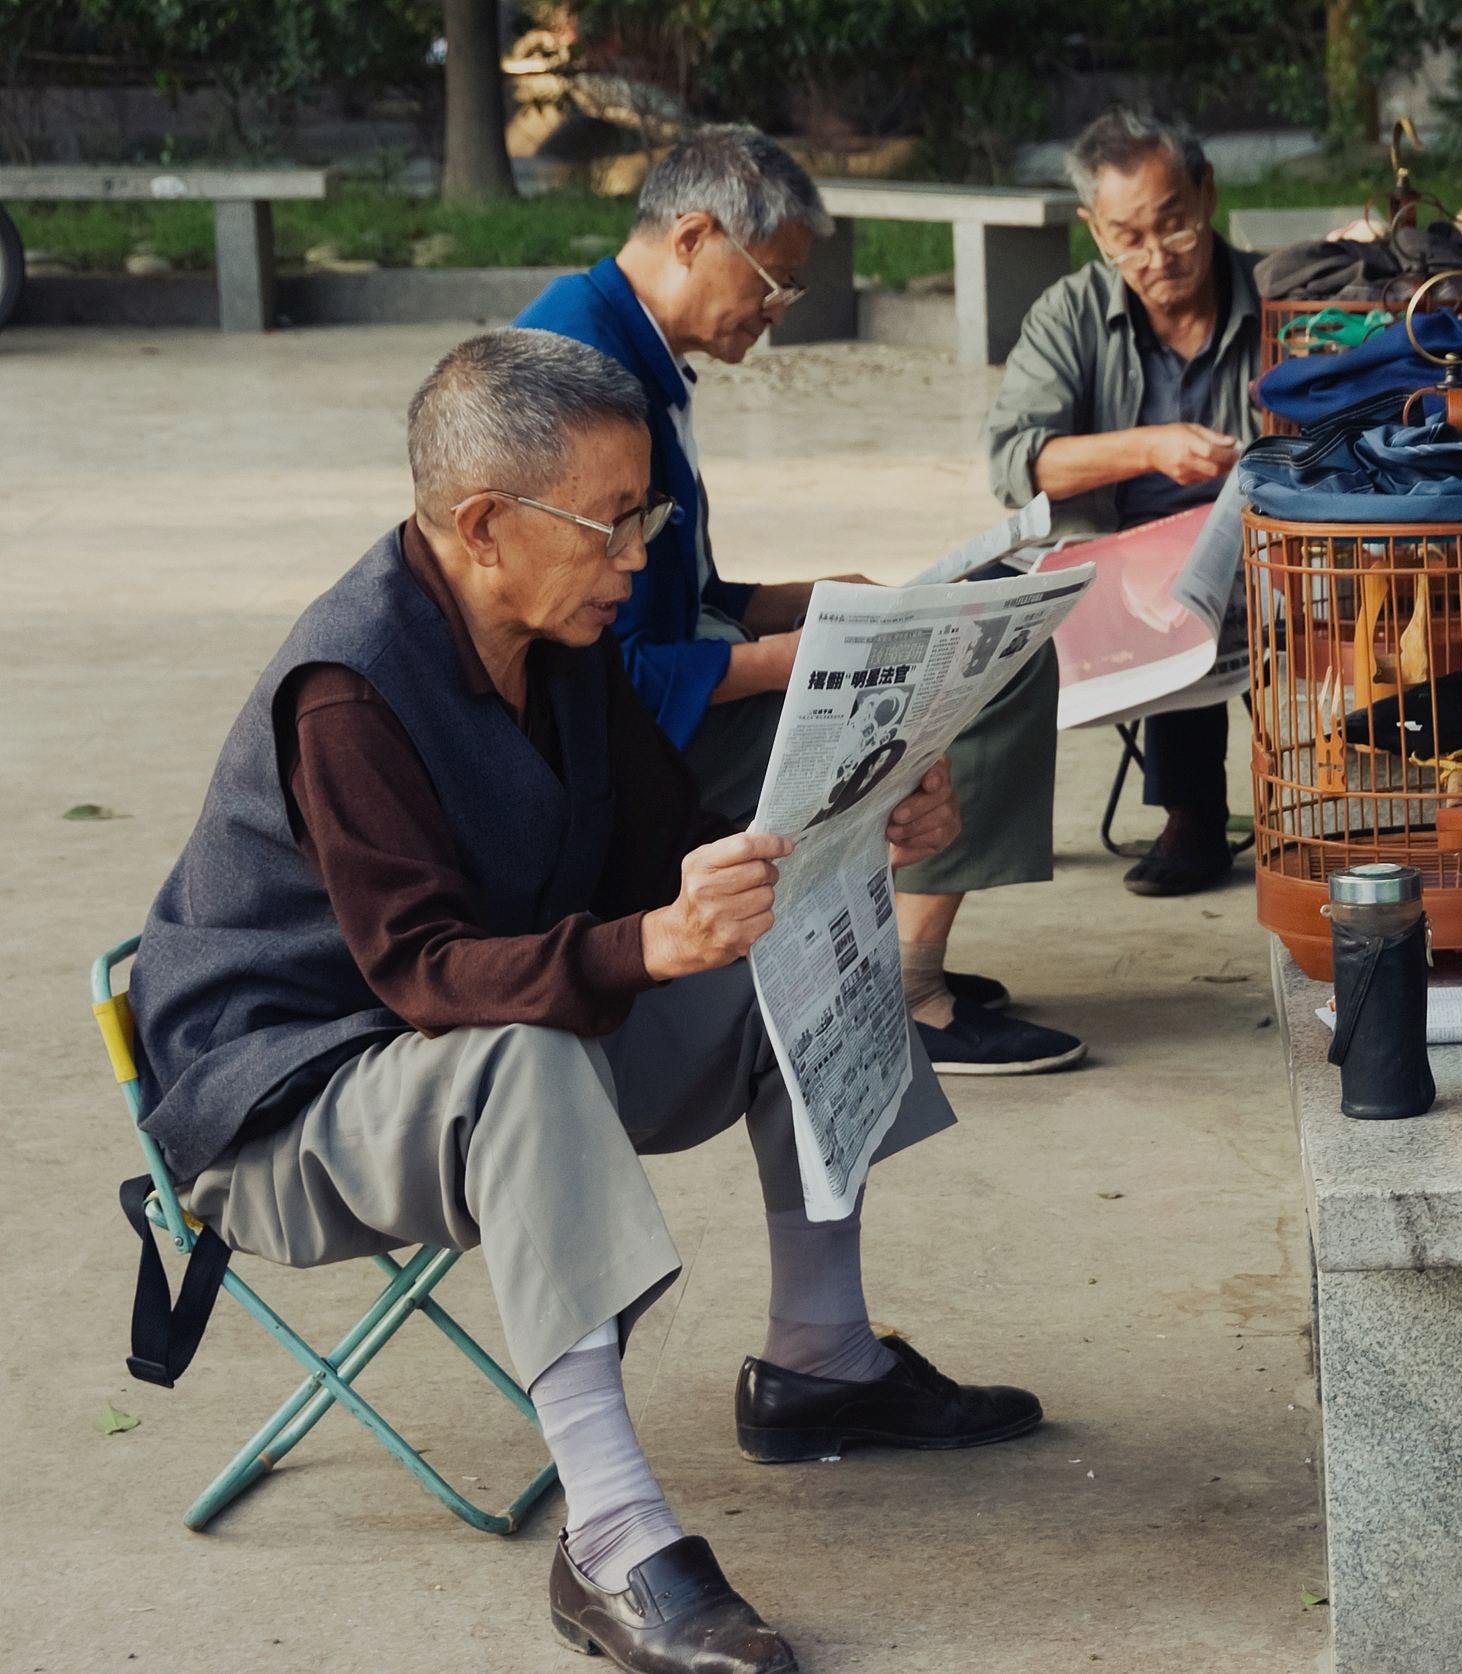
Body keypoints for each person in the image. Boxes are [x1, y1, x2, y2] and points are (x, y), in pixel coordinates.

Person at [129, 331, 1042, 1674]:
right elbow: (423, 974)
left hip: (464, 1042)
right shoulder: (347, 688)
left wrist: (853, 820)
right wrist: (647, 943)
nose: (638, 557)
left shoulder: (560, 638)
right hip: (291, 1094)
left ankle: (822, 1357)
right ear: (486, 524)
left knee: (792, 937)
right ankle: (611, 1535)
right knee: (526, 1058)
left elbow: (660, 847)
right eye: (612, 523)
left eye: (646, 515)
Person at [517, 125, 1085, 1075]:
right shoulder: (587, 376)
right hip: (614, 744)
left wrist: (807, 599)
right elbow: (605, 669)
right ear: (694, 237)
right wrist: (807, 656)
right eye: (772, 280)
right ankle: (910, 990)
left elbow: (670, 596)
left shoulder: (626, 343)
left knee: (982, 610)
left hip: (666, 687)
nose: (778, 309)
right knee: (984, 668)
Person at [984, 106, 1263, 897]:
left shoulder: (1277, 299)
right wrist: (1148, 446)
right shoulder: (1070, 313)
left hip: (1269, 547)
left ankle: (1296, 812)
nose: (1156, 256)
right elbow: (1014, 460)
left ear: (1205, 195)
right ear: (1095, 230)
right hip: (1128, 554)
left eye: (1172, 227)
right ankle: (1194, 815)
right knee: (1161, 590)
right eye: (1128, 237)